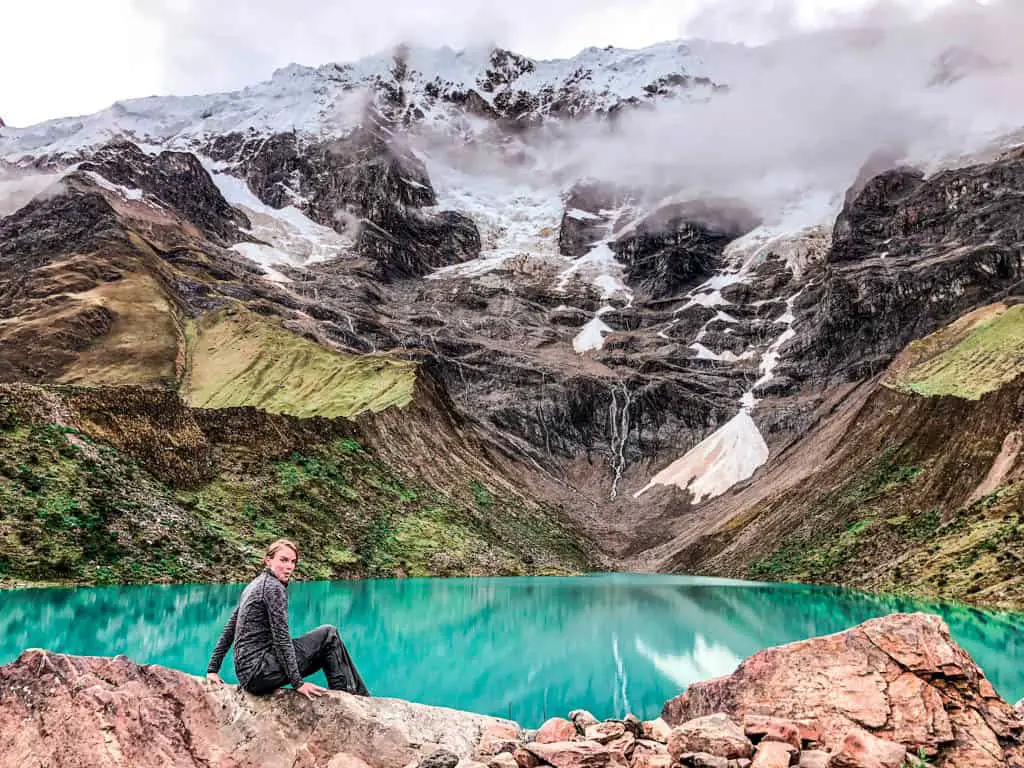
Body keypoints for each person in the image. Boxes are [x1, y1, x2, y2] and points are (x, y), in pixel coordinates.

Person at [206, 538, 370, 698]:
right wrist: (298, 683)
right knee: (329, 634)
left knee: (325, 650)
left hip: (249, 674)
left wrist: (212, 669)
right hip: (261, 671)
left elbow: (230, 628)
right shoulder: (273, 588)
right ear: (268, 560)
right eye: (283, 560)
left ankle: (348, 697)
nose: (289, 567)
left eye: (293, 562)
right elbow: (281, 638)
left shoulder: (254, 585)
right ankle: (355, 698)